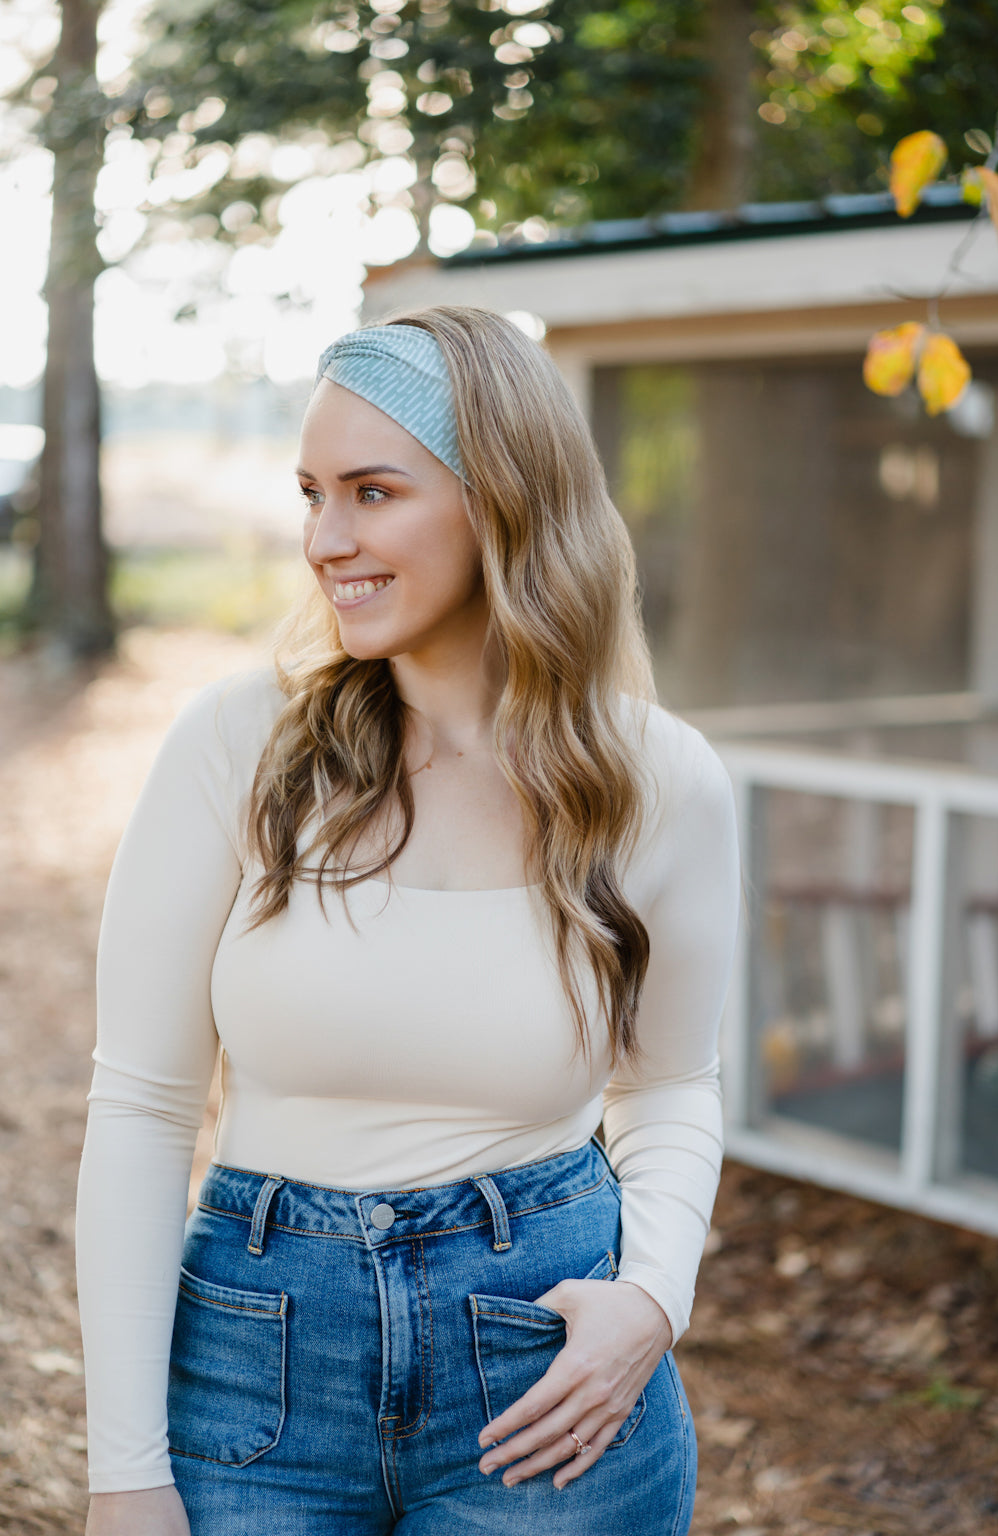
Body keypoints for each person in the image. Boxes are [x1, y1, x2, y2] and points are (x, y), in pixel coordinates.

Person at [76, 304, 742, 1536]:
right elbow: (141, 1109)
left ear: (503, 502)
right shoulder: (239, 749)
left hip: (545, 1386)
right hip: (252, 1381)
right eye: (311, 495)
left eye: (372, 492)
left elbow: (673, 1087)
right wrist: (126, 1469)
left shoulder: (660, 782)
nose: (327, 540)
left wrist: (653, 1296)